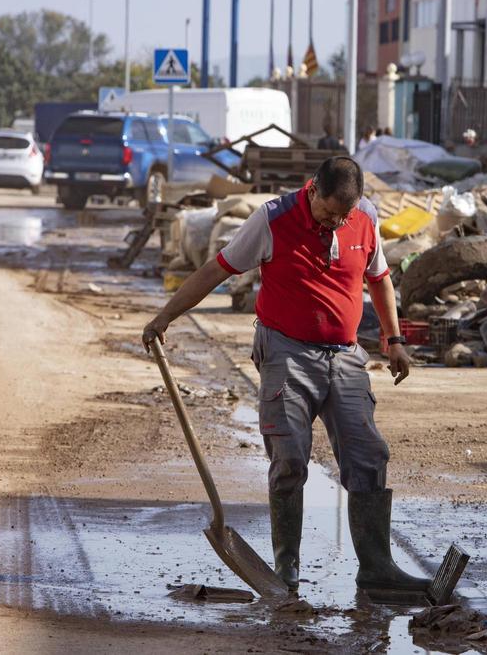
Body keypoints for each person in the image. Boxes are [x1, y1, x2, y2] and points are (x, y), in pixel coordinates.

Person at [142, 157, 428, 595]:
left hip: (345, 356)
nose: (335, 222)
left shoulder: (365, 219)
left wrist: (394, 339)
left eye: (343, 215)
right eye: (329, 212)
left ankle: (376, 567)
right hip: (286, 352)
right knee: (290, 458)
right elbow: (217, 269)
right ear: (312, 190)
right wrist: (165, 316)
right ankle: (286, 571)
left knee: (369, 456)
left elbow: (380, 279)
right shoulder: (272, 220)